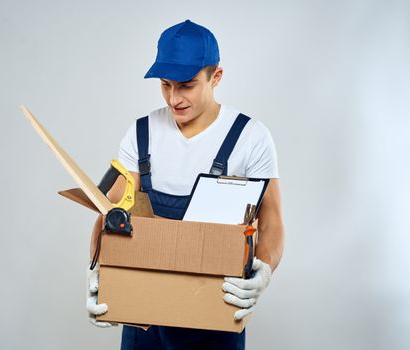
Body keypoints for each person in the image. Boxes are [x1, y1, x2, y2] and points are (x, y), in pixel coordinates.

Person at [86, 19, 285, 349]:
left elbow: (273, 220)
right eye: (165, 84)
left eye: (186, 85)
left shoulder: (250, 138)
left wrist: (263, 272)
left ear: (215, 76)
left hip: (214, 317)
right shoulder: (140, 133)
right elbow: (111, 211)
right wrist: (96, 270)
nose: (173, 98)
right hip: (143, 319)